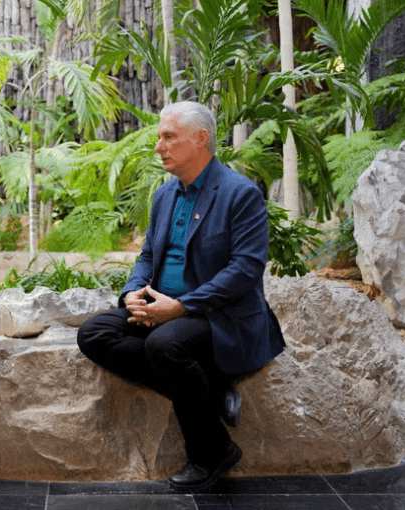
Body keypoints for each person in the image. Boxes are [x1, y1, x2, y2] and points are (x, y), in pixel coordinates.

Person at [77, 101, 284, 490]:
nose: (159, 146)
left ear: (200, 139)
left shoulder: (240, 194)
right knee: (94, 334)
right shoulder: (165, 195)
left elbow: (245, 270)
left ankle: (211, 452)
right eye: (159, 137)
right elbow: (148, 255)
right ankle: (209, 391)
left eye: (168, 137)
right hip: (162, 308)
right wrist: (132, 292)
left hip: (219, 315)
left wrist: (182, 306)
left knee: (165, 345)